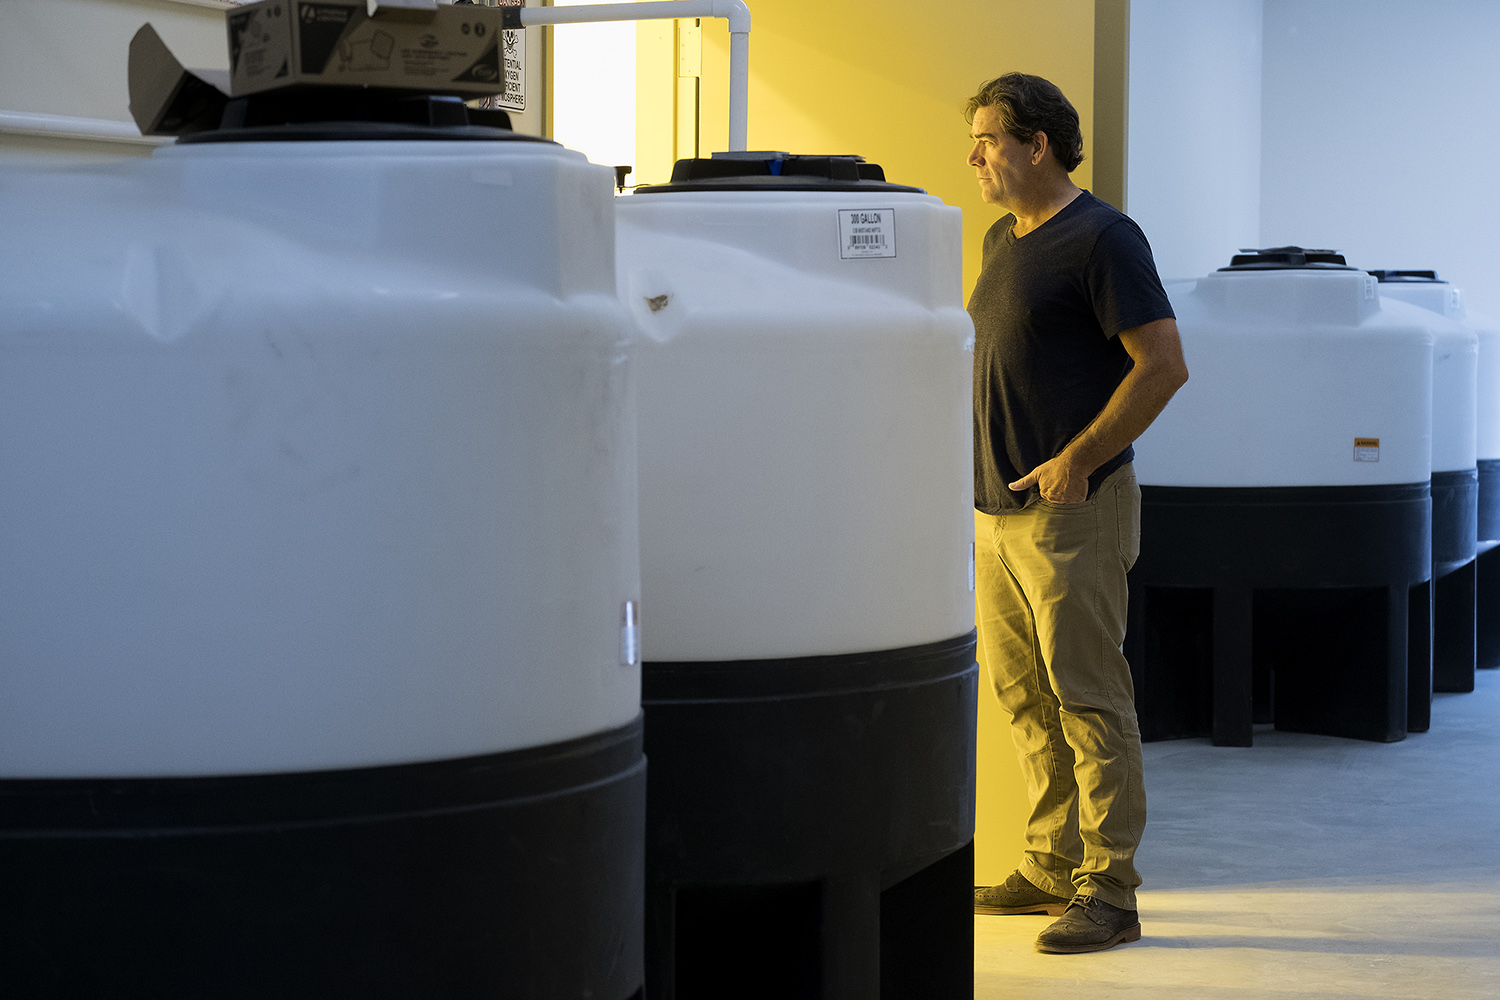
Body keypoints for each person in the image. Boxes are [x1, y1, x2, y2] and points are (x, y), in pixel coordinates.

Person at [965, 72, 1188, 954]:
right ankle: (1052, 865)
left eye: (987, 138)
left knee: (1089, 698)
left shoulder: (1104, 238)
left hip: (1074, 509)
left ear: (1037, 145)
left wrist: (1080, 460)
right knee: (1024, 698)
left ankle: (1110, 889)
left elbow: (1163, 364)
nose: (975, 154)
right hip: (997, 510)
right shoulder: (999, 237)